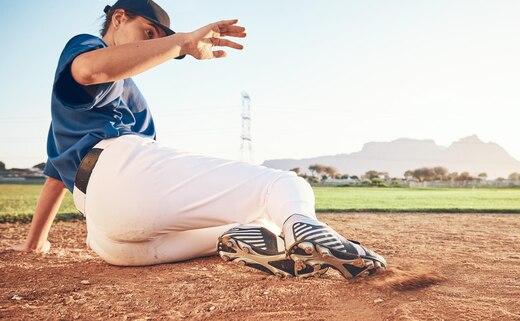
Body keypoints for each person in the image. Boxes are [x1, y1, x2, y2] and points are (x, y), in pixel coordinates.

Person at [13, 0, 386, 279]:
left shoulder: (71, 114)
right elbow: (91, 69)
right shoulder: (86, 47)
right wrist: (180, 44)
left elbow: (54, 176)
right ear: (119, 17)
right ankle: (304, 223)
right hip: (122, 173)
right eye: (148, 34)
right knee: (283, 185)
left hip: (108, 235)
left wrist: (34, 245)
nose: (154, 45)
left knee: (262, 226)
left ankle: (241, 238)